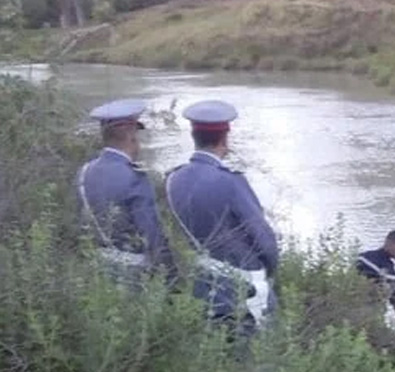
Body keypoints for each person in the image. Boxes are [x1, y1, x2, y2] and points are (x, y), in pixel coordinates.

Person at [164, 99, 280, 337]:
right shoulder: (230, 181)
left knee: (215, 352)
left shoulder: (173, 179)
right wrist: (270, 269)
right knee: (261, 354)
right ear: (225, 138)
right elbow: (262, 237)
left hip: (203, 284)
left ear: (193, 135)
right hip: (244, 288)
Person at [76, 98, 174, 287]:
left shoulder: (84, 172)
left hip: (97, 271)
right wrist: (171, 278)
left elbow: (81, 223)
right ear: (132, 137)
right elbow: (151, 233)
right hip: (133, 274)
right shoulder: (136, 178)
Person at [356, 230, 395, 326]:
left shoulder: (363, 257)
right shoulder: (387, 270)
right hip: (367, 311)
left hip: (359, 308)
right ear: (389, 243)